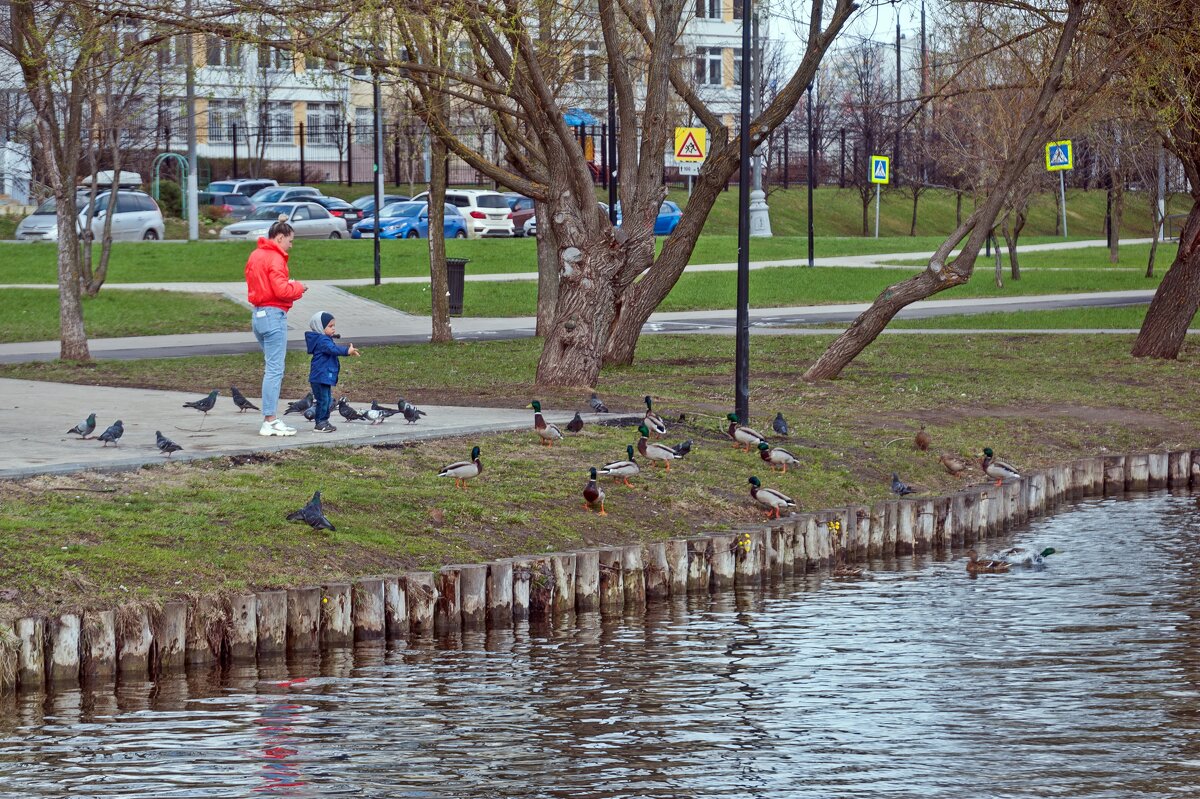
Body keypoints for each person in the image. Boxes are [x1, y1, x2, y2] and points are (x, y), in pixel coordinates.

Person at [245, 217, 306, 436]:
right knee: (274, 370)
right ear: (280, 238)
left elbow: (259, 284)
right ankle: (270, 420)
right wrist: (298, 287)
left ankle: (270, 418)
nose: (291, 245)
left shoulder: (255, 255)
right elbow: (281, 291)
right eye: (290, 240)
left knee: (271, 368)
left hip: (258, 315)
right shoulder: (276, 259)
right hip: (273, 315)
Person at [305, 311, 360, 433]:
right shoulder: (322, 340)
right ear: (320, 327)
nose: (333, 328)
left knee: (326, 400)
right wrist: (347, 351)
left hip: (323, 376)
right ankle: (320, 423)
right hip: (320, 376)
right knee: (323, 400)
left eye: (334, 325)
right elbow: (332, 349)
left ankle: (324, 421)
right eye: (330, 326)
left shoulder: (324, 339)